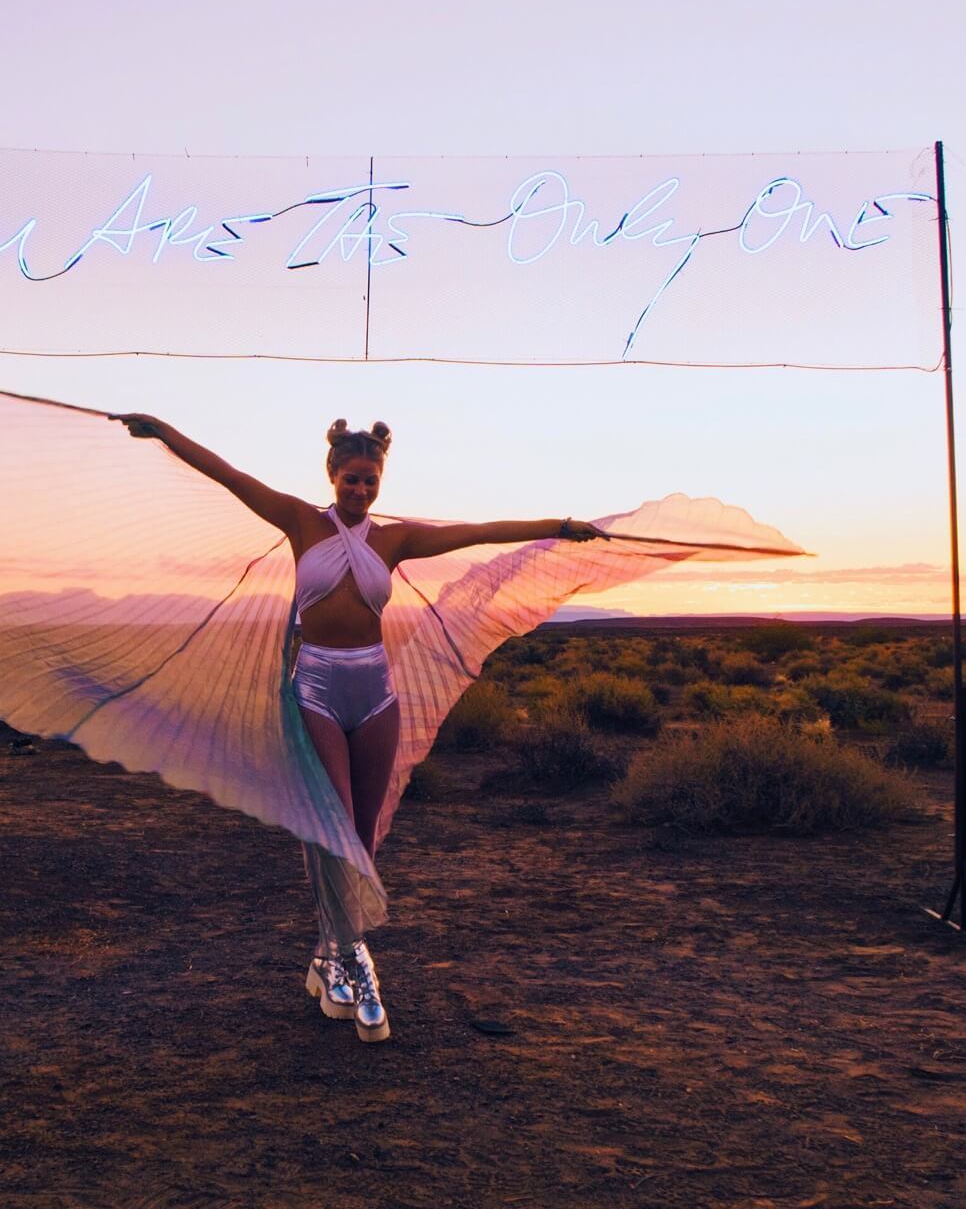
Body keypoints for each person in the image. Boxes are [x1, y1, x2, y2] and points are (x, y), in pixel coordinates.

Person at [112, 412, 608, 1043]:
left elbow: (480, 532)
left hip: (375, 690)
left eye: (370, 481)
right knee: (332, 824)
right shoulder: (298, 520)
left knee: (365, 834)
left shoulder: (393, 541)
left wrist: (559, 528)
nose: (361, 490)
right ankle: (355, 959)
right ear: (331, 474)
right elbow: (226, 474)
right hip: (316, 688)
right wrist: (162, 431)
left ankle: (331, 955)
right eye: (351, 480)